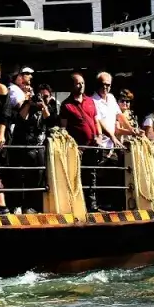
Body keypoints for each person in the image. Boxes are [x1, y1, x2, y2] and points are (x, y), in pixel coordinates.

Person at [60, 72, 102, 211]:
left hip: (92, 145)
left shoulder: (90, 101)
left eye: (82, 83)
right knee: (76, 175)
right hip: (78, 148)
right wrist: (72, 146)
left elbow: (96, 121)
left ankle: (92, 204)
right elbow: (63, 129)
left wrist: (99, 135)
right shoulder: (66, 105)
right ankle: (78, 204)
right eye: (78, 83)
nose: (81, 86)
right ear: (72, 85)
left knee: (92, 174)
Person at [89, 72, 121, 148]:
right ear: (97, 84)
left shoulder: (111, 97)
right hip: (101, 145)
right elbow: (99, 121)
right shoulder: (91, 101)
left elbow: (119, 115)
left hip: (113, 144)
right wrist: (112, 137)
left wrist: (131, 129)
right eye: (102, 84)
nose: (105, 87)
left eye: (108, 85)